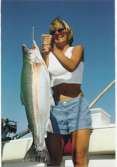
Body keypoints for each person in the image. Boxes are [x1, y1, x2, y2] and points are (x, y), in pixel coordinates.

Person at [42, 17, 92, 167]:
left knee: (79, 160)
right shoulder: (49, 54)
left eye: (60, 29)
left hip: (77, 106)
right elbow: (42, 77)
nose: (57, 33)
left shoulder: (77, 49)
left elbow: (71, 66)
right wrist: (44, 54)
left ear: (68, 31)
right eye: (53, 31)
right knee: (54, 161)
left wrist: (53, 48)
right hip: (54, 108)